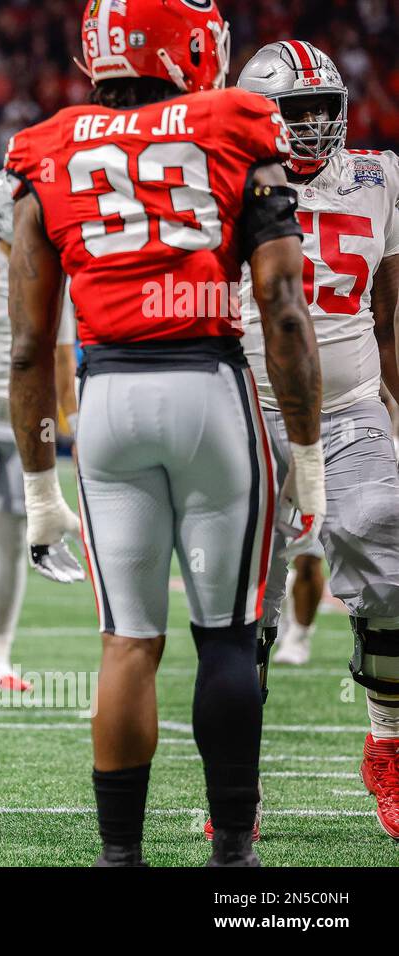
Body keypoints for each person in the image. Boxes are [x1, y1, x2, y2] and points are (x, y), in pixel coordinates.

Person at [6, 0, 323, 866]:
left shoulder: (48, 146)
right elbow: (284, 312)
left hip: (107, 402)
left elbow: (31, 346)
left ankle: (120, 859)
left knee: (127, 641)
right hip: (207, 389)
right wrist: (309, 452)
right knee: (225, 634)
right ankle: (231, 856)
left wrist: (40, 490)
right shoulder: (231, 123)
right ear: (188, 45)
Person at [235, 40, 399, 839]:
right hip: (253, 411)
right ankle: (239, 784)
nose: (309, 124)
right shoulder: (223, 178)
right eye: (292, 110)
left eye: (320, 108)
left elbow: (390, 316)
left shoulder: (379, 177)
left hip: (351, 408)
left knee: (390, 567)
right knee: (244, 607)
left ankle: (389, 746)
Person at [0, 170, 83, 691]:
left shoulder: (53, 269)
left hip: (29, 426)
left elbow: (63, 357)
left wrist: (71, 421)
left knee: (14, 544)